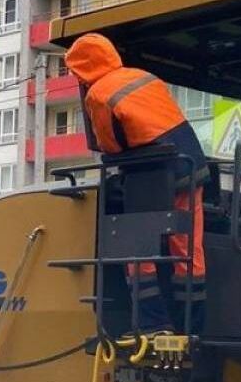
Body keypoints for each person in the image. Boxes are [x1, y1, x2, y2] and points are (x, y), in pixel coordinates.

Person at [65, 32, 209, 334]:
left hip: (152, 174)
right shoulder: (142, 76)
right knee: (188, 250)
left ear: (82, 69)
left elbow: (111, 146)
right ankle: (191, 325)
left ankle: (153, 324)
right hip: (191, 166)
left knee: (137, 252)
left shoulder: (98, 94)